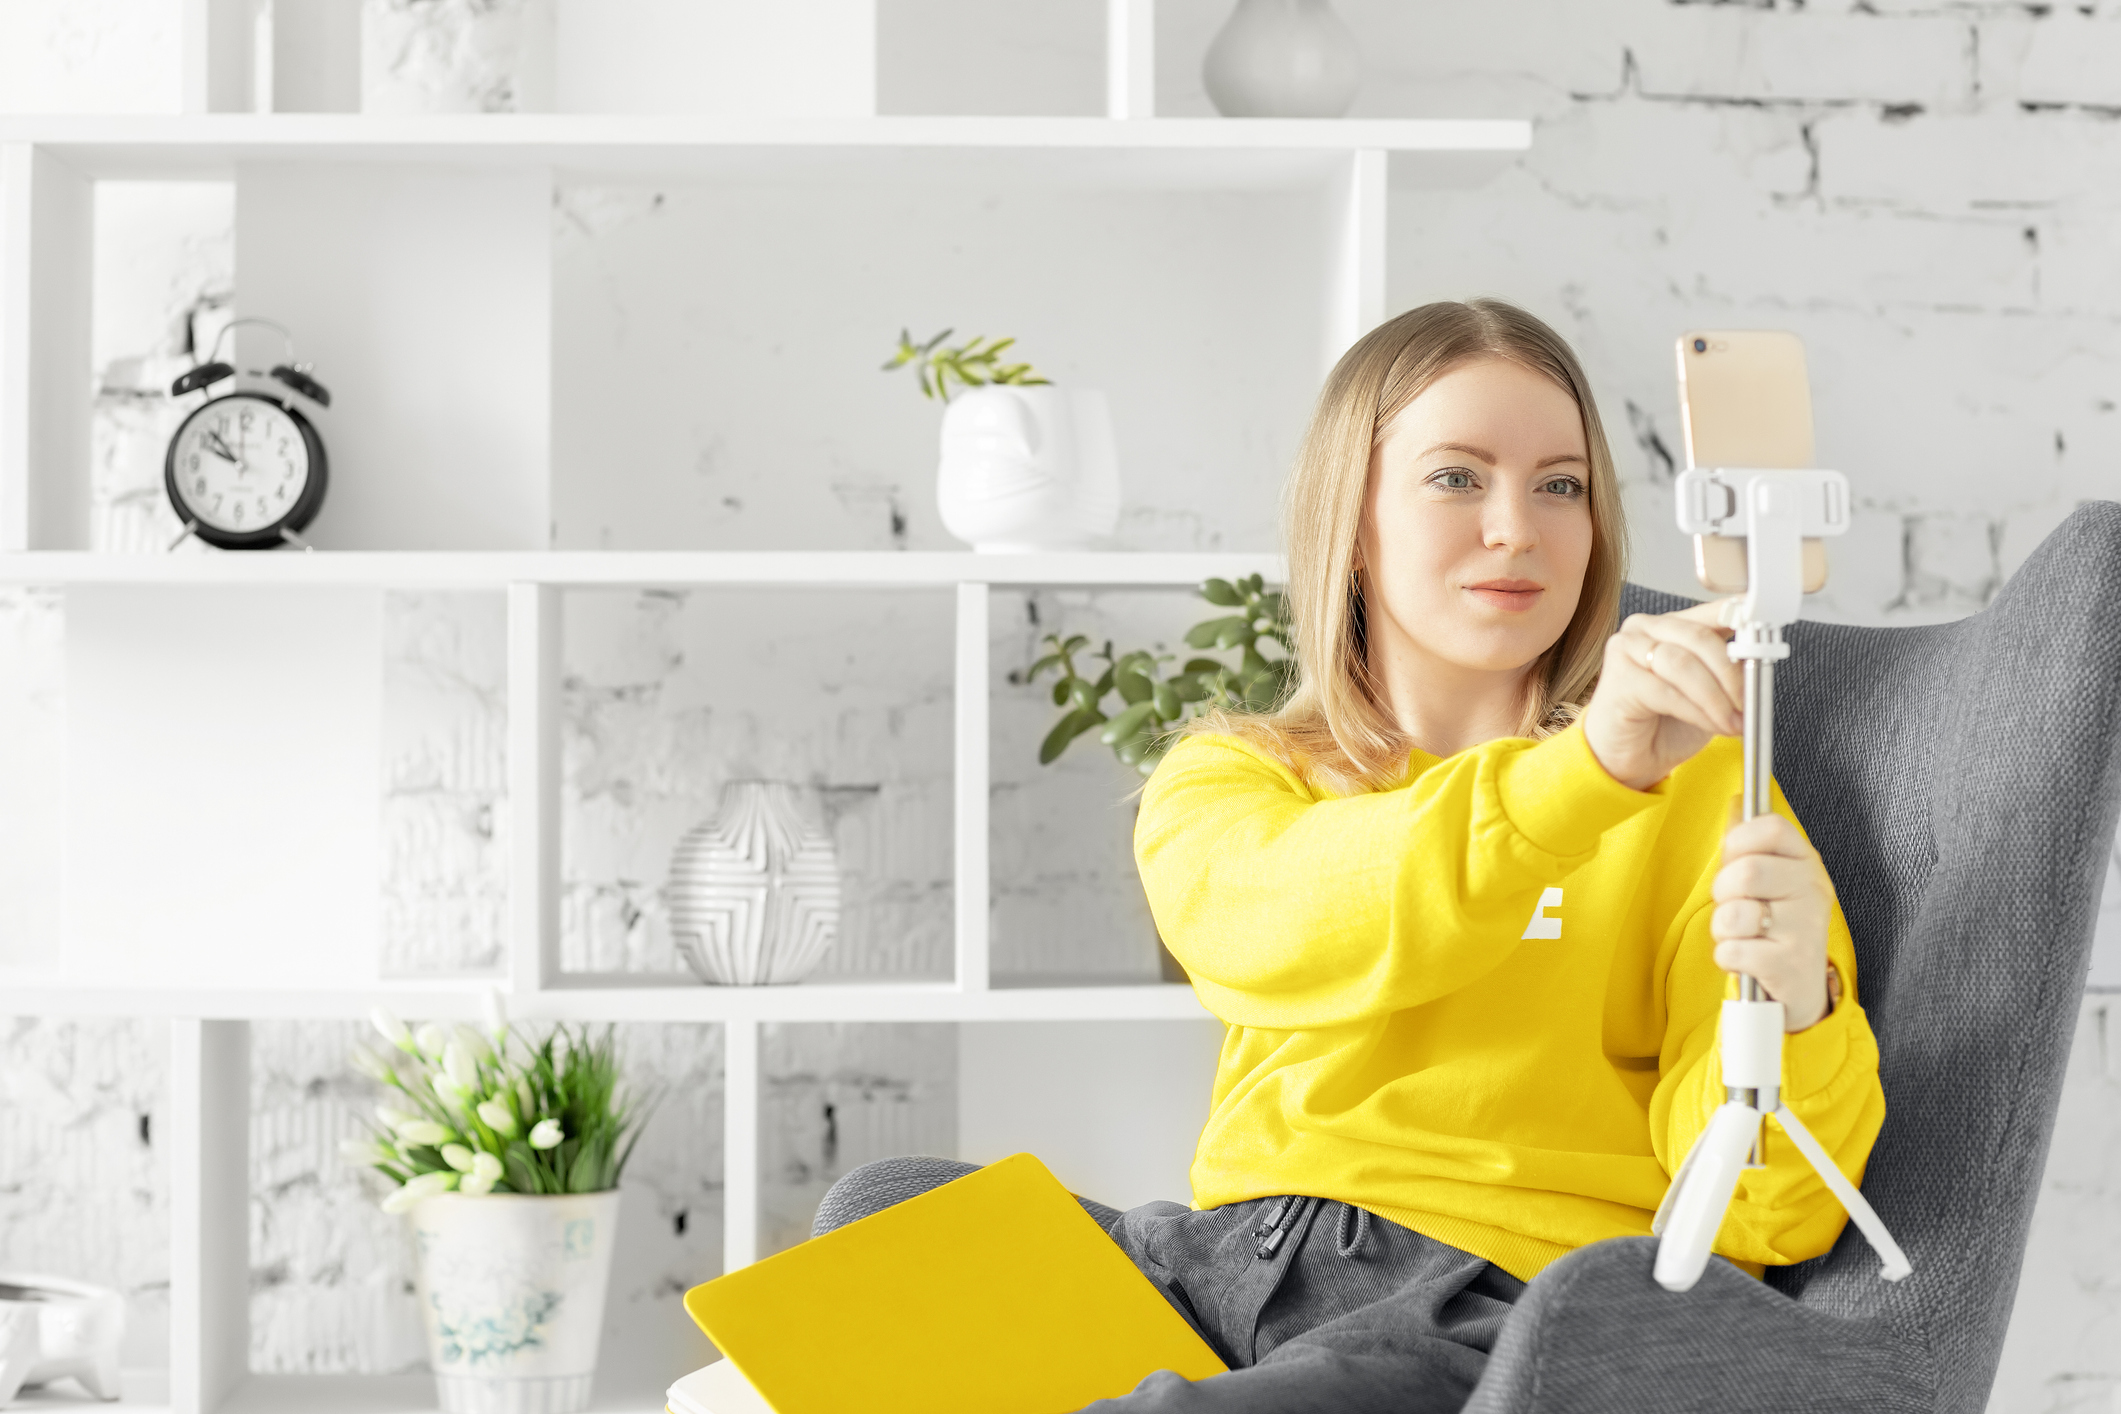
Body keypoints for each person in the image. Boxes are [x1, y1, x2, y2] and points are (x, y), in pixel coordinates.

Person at [812, 299, 1884, 1413]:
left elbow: (1767, 1219)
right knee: (883, 1246)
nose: (1517, 527)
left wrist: (1800, 1008)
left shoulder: (1704, 794)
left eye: (1560, 485)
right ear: (1353, 519)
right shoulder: (1234, 778)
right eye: (1458, 477)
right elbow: (1309, 916)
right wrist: (1582, 777)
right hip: (1208, 1269)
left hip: (1482, 1317)